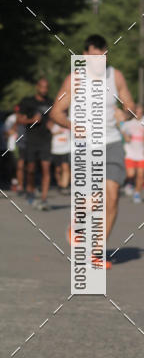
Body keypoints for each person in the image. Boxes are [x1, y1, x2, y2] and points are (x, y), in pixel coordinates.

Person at [51, 34, 136, 268]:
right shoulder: (74, 79)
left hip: (111, 142)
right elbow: (56, 112)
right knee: (93, 199)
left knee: (112, 196)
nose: (99, 57)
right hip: (84, 145)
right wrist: (72, 126)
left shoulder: (115, 76)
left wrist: (125, 112)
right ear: (85, 55)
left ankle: (96, 252)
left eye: (102, 53)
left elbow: (130, 105)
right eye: (93, 53)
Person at [18, 77, 53, 209]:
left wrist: (53, 123)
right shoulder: (27, 102)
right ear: (37, 87)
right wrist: (32, 120)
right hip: (32, 140)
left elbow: (55, 116)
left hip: (46, 139)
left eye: (46, 87)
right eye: (42, 87)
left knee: (46, 168)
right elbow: (19, 120)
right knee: (31, 169)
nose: (44, 90)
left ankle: (44, 199)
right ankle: (30, 189)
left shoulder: (51, 102)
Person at [121, 104, 144, 202]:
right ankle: (129, 184)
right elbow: (122, 131)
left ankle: (137, 193)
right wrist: (126, 137)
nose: (139, 114)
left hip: (142, 152)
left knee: (140, 175)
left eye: (141, 112)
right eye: (137, 112)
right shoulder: (129, 124)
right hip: (130, 152)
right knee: (131, 174)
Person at [50, 121, 71, 194]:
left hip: (66, 149)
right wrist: (57, 132)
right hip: (55, 150)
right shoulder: (53, 122)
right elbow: (48, 133)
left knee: (65, 168)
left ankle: (64, 187)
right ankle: (59, 184)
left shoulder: (68, 121)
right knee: (58, 169)